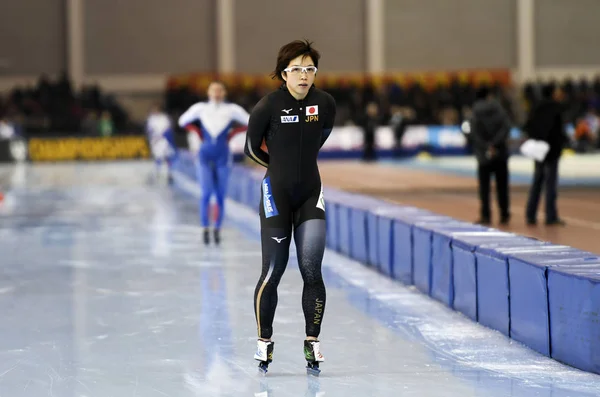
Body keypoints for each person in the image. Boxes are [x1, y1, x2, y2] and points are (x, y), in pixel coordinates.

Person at [244, 39, 336, 375]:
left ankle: (312, 343)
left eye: (310, 69)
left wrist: (297, 165)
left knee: (313, 270)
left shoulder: (325, 103)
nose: (304, 75)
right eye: (296, 69)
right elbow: (251, 149)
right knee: (273, 272)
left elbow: (319, 139)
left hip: (311, 193)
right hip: (276, 195)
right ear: (284, 73)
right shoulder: (267, 106)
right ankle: (264, 341)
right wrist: (279, 167)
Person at [178, 81, 249, 244]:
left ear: (224, 93)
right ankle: (205, 228)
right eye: (213, 90)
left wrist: (232, 135)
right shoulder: (200, 108)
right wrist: (197, 132)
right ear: (208, 93)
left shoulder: (232, 110)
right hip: (205, 156)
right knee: (205, 194)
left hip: (223, 156)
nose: (216, 93)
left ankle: (217, 228)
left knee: (220, 195)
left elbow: (251, 121)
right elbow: (182, 121)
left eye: (219, 90)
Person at [524, 84, 570, 226]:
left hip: (539, 149)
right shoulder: (556, 108)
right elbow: (558, 130)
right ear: (552, 93)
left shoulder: (536, 107)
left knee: (537, 181)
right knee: (550, 184)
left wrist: (536, 140)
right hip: (552, 150)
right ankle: (551, 216)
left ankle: (530, 215)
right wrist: (561, 143)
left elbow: (527, 126)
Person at [470, 86, 512, 225]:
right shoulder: (499, 110)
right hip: (500, 153)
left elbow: (474, 133)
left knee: (484, 188)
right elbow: (506, 127)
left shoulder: (475, 112)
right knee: (502, 186)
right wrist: (495, 144)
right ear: (489, 95)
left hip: (483, 155)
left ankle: (486, 215)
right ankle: (504, 214)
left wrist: (486, 146)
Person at [145, 105, 177, 184]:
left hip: (164, 140)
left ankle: (169, 173)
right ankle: (157, 172)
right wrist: (153, 137)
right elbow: (149, 129)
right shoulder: (151, 119)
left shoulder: (164, 118)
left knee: (167, 157)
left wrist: (162, 135)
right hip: (155, 141)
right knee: (157, 157)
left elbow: (168, 128)